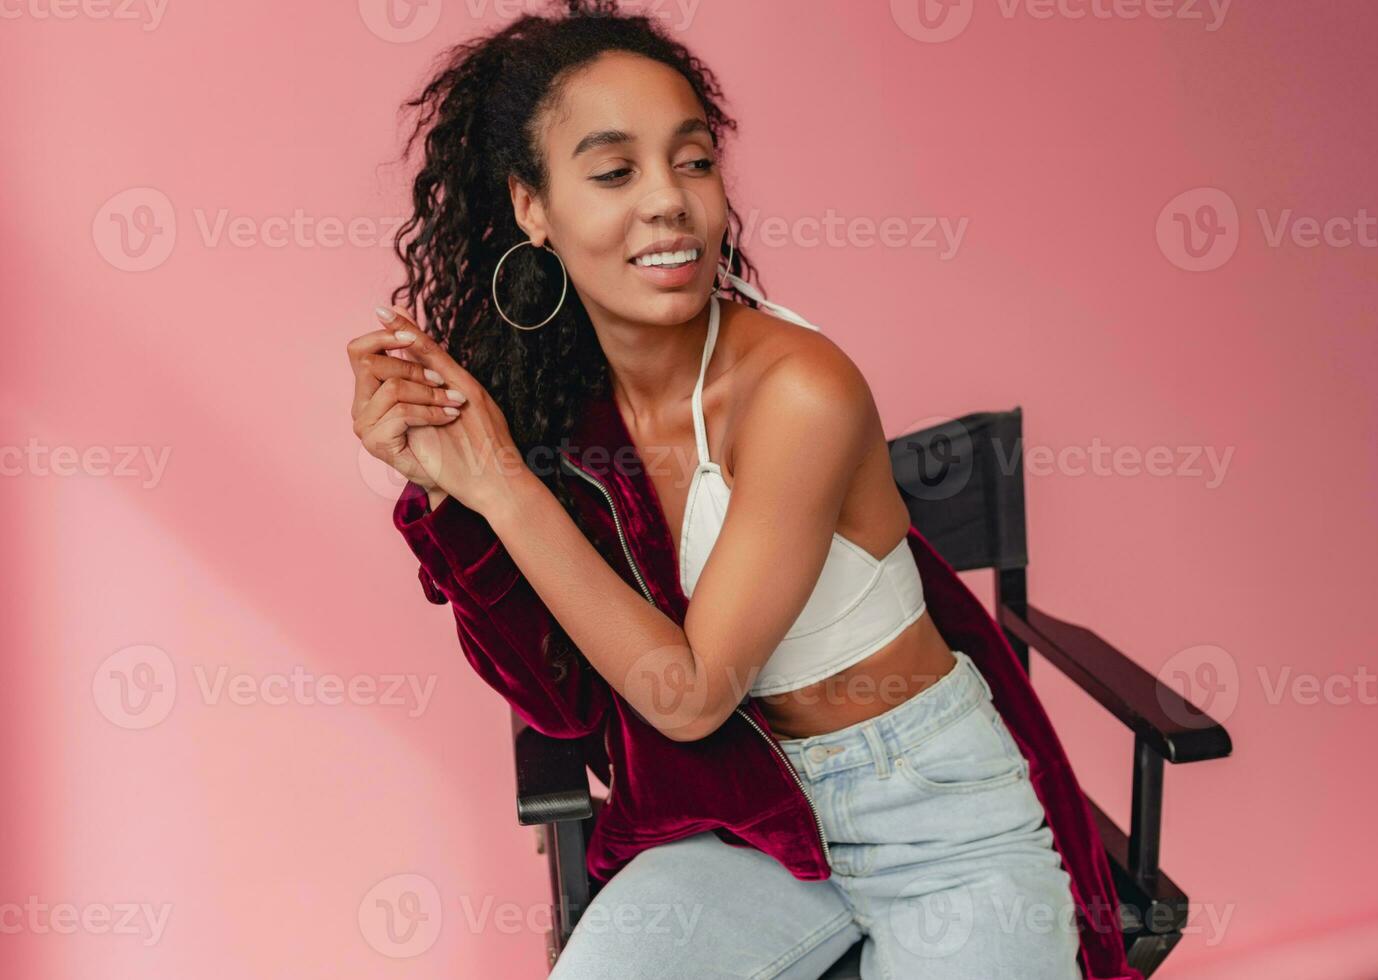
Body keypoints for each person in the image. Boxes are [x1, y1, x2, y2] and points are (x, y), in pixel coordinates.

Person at [348, 3, 1098, 976]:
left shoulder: (801, 389)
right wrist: (453, 491)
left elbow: (693, 695)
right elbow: (564, 701)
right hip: (755, 821)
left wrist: (501, 485)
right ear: (532, 206)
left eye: (693, 160)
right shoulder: (566, 417)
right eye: (615, 170)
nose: (670, 201)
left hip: (940, 822)